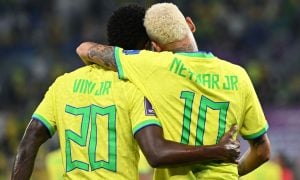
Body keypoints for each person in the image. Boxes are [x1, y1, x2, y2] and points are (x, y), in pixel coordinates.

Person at [11, 5, 241, 180]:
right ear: (146, 46)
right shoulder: (135, 88)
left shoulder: (63, 84)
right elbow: (156, 153)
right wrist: (216, 150)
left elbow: (28, 143)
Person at [76, 2, 271, 179]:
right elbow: (262, 151)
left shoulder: (153, 65)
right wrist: (232, 172)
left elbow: (84, 49)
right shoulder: (238, 75)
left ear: (155, 47)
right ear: (190, 24)